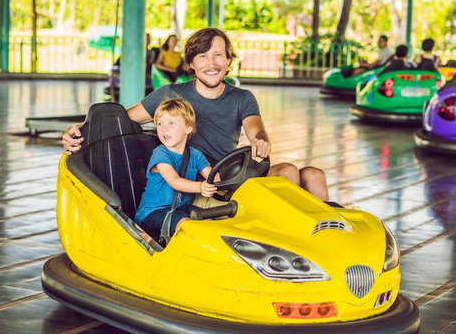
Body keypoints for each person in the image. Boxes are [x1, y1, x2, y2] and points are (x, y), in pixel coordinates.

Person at [63, 27, 330, 205]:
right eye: (202, 56)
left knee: (313, 175)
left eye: (218, 55)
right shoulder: (171, 93)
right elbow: (123, 118)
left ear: (228, 61)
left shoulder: (241, 97)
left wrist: (260, 140)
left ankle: (329, 243)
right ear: (191, 63)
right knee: (290, 173)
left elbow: (255, 128)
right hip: (199, 184)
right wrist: (79, 130)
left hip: (230, 173)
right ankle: (290, 247)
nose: (211, 64)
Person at [134, 98, 216, 237]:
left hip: (180, 207)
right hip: (152, 212)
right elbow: (174, 181)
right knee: (185, 223)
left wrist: (231, 179)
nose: (164, 128)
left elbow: (214, 177)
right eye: (159, 124)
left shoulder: (195, 155)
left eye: (171, 123)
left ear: (188, 128)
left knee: (208, 219)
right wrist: (200, 187)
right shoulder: (160, 154)